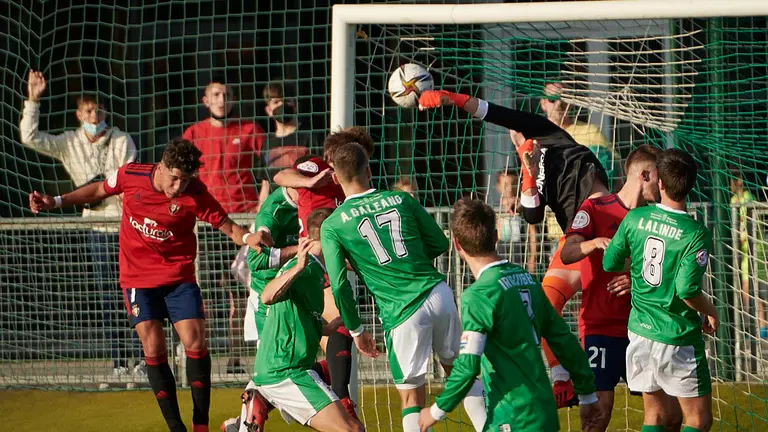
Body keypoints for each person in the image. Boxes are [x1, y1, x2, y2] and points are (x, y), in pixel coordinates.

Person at [29, 138, 271, 432]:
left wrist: (248, 238)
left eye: (185, 179)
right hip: (138, 280)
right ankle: (175, 427)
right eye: (174, 178)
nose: (178, 186)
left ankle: (200, 424)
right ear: (161, 166)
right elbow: (99, 189)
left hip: (179, 279)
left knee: (195, 341)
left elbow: (229, 227)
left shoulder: (195, 192)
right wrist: (56, 201)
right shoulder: (130, 175)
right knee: (154, 348)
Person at [419, 87, 616, 407]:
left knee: (609, 308)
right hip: (577, 237)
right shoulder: (531, 168)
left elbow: (490, 110)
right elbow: (533, 215)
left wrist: (451, 98)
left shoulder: (547, 133)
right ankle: (562, 381)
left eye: (516, 130)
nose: (514, 133)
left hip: (603, 219)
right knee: (546, 303)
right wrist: (528, 170)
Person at [320, 143, 487, 432]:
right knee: (463, 375)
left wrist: (357, 330)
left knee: (411, 396)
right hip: (438, 293)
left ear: (335, 178)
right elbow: (439, 242)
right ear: (369, 170)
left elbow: (338, 286)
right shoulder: (400, 199)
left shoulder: (333, 225)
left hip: (402, 310)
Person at [418, 199, 602, 432]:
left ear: (456, 244)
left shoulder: (479, 295)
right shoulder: (527, 279)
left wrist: (435, 411)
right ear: (496, 236)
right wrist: (587, 396)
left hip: (512, 417)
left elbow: (467, 366)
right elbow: (564, 341)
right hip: (543, 413)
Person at [20, 69, 142, 383]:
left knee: (135, 293)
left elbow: (120, 182)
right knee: (107, 296)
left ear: (105, 112)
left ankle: (142, 360)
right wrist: (33, 100)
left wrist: (90, 195)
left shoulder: (121, 139)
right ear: (79, 114)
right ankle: (119, 362)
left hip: (126, 226)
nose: (94, 115)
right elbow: (30, 137)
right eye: (88, 111)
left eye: (99, 110)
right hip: (97, 230)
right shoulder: (69, 142)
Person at [560, 145, 684, 430]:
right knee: (597, 415)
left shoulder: (656, 219)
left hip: (644, 327)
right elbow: (568, 253)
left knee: (671, 416)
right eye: (658, 176)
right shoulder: (594, 208)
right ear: (644, 175)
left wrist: (636, 279)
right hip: (600, 329)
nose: (663, 183)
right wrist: (593, 243)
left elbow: (668, 271)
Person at [603, 149, 717, 432]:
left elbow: (609, 262)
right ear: (690, 186)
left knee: (654, 417)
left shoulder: (634, 218)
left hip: (640, 332)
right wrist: (712, 310)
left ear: (660, 182)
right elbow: (687, 289)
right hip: (676, 334)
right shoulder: (695, 233)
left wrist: (636, 267)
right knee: (698, 420)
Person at [271, 126, 378, 420]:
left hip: (331, 263)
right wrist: (312, 180)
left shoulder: (353, 185)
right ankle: (343, 404)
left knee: (335, 348)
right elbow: (280, 176)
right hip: (315, 261)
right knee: (343, 328)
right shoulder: (317, 166)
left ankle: (264, 400)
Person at [183, 76, 269, 373]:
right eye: (216, 94)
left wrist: (261, 204)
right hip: (208, 224)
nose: (222, 98)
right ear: (205, 100)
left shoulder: (249, 130)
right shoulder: (194, 133)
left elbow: (267, 169)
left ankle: (237, 357)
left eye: (227, 93)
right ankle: (199, 355)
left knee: (242, 291)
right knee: (206, 291)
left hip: (242, 222)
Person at [251, 207, 363, 432]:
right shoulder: (306, 266)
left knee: (351, 427)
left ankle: (260, 402)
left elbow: (299, 311)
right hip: (286, 371)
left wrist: (327, 327)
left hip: (290, 370)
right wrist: (298, 268)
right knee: (351, 430)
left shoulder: (315, 268)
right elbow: (267, 296)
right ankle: (259, 403)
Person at [730, 171, 768, 337]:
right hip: (742, 253)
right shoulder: (733, 200)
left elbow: (750, 226)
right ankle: (758, 327)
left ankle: (755, 327)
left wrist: (742, 234)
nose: (732, 183)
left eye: (734, 179)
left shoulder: (747, 198)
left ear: (739, 181)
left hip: (753, 252)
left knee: (751, 291)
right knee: (749, 290)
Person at [262, 81, 323, 179]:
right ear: (269, 110)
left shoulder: (312, 136)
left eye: (286, 100)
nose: (282, 105)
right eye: (276, 102)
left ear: (295, 105)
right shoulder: (267, 144)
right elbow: (266, 184)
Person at [495, 170, 538, 274]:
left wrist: (533, 257)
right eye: (505, 185)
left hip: (521, 254)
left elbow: (532, 233)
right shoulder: (494, 208)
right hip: (501, 253)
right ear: (498, 187)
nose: (509, 189)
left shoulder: (524, 206)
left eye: (513, 184)